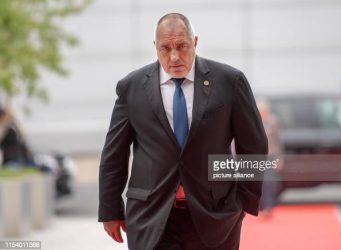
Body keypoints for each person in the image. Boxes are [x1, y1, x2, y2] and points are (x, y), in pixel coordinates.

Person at [98, 13, 268, 250]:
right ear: (155, 47)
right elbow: (114, 153)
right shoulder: (131, 87)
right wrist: (110, 209)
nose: (174, 56)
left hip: (214, 215)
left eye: (182, 46)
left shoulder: (229, 81)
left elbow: (254, 145)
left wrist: (244, 201)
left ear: (195, 42)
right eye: (165, 48)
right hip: (151, 216)